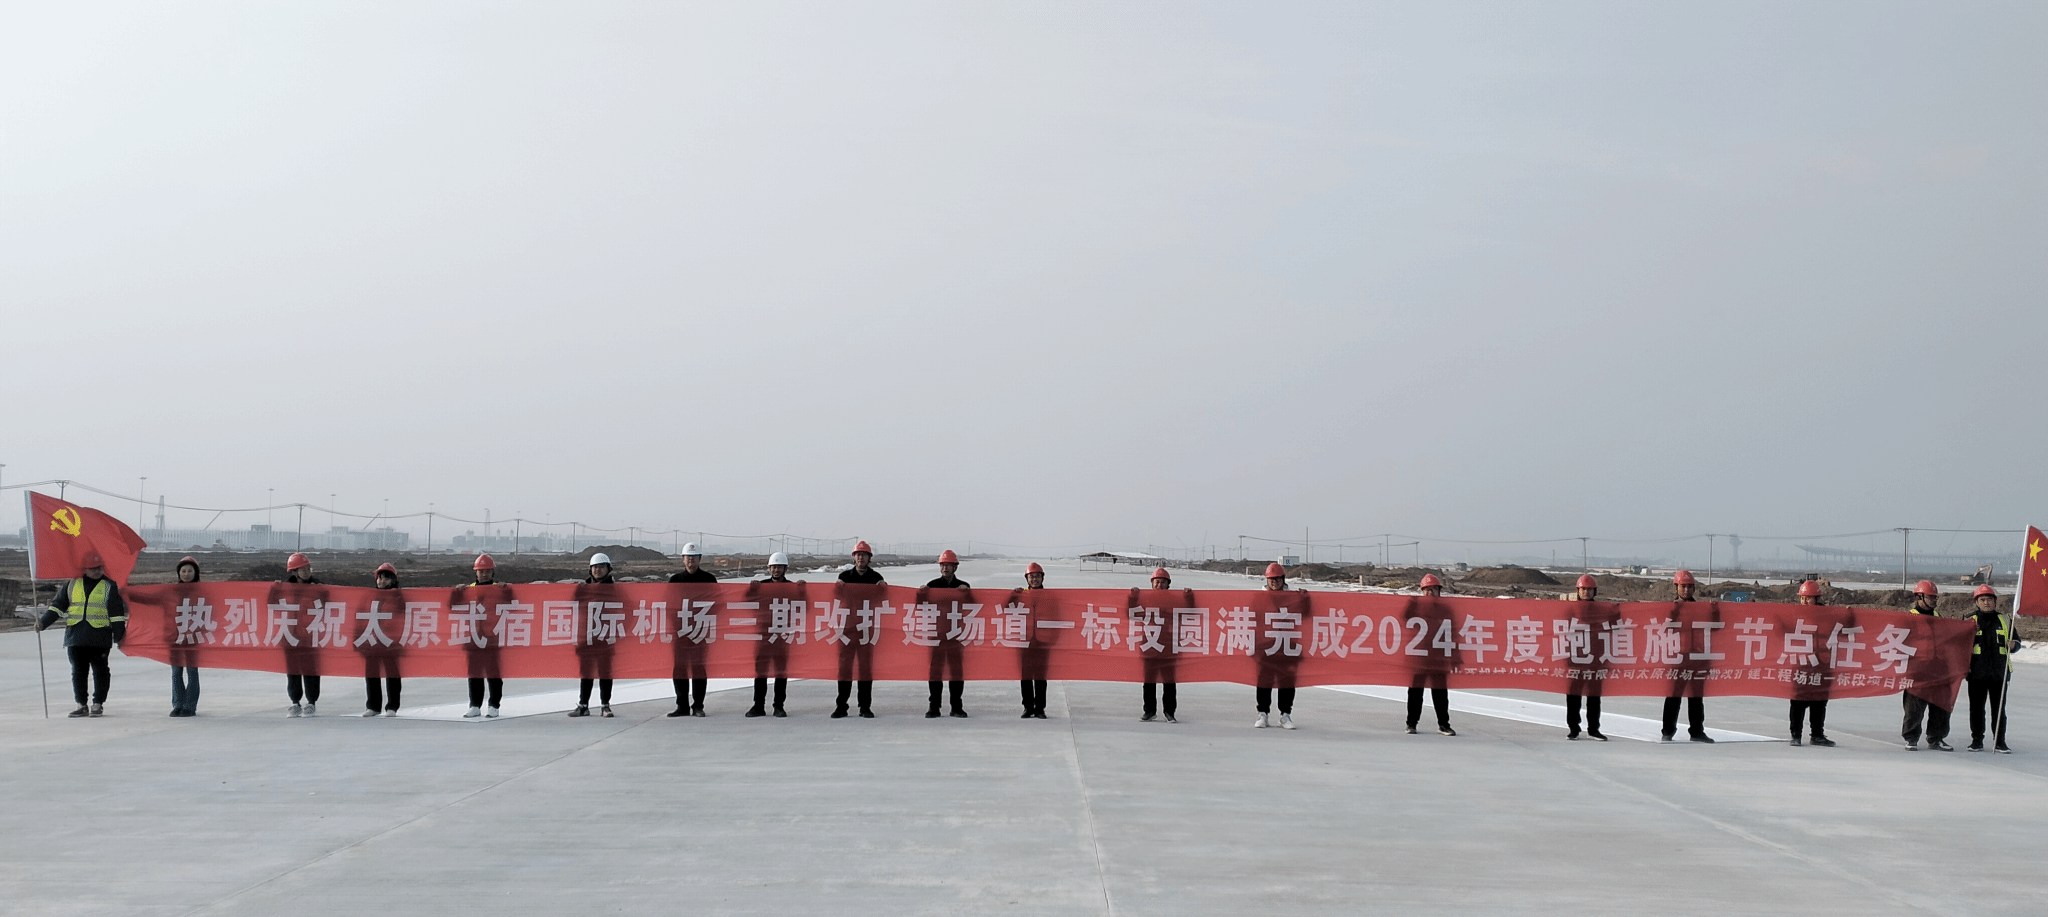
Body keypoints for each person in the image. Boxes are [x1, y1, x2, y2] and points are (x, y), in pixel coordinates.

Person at [36, 552, 127, 718]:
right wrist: (43, 623)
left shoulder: (109, 586)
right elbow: (57, 607)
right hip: (76, 636)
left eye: (99, 568)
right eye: (93, 568)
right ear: (84, 568)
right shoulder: (72, 584)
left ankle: (98, 703)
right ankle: (81, 704)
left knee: (100, 671)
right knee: (78, 672)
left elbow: (116, 614)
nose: (97, 571)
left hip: (99, 636)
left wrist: (119, 636)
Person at [833, 541, 885, 718]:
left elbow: (884, 599)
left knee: (865, 669)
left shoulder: (876, 578)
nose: (861, 558)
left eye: (864, 555)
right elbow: (835, 597)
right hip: (847, 629)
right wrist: (837, 588)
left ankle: (865, 707)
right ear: (854, 558)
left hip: (866, 630)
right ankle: (841, 706)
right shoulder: (844, 576)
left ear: (869, 558)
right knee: (845, 669)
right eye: (858, 555)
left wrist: (883, 589)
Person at [1660, 570, 1713, 743]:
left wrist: (1714, 612)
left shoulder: (1701, 609)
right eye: (1683, 586)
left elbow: (1714, 627)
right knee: (1673, 696)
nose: (1686, 590)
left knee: (1696, 697)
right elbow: (1663, 628)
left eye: (1690, 587)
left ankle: (1697, 731)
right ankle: (1667, 731)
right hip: (1677, 658)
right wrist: (1673, 612)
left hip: (1697, 658)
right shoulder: (1669, 608)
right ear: (1676, 587)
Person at [1901, 580, 1953, 751]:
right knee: (1914, 708)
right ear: (1919, 597)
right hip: (1917, 670)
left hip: (1938, 670)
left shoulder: (1938, 617)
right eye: (1931, 597)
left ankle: (1936, 738)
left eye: (1935, 597)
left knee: (1940, 707)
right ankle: (1911, 738)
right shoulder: (1909, 618)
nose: (1934, 600)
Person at [1965, 584, 2017, 753]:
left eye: (1989, 599)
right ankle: (1977, 741)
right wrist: (1969, 633)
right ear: (1977, 602)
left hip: (1999, 674)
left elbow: (2017, 642)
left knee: (1999, 710)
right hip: (1976, 674)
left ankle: (2000, 742)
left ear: (1995, 601)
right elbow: (1958, 644)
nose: (1986, 603)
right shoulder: (1969, 620)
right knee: (1976, 709)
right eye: (1982, 600)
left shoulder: (2005, 620)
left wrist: (2014, 645)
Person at [667, 543, 717, 717]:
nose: (691, 560)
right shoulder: (675, 580)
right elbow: (667, 604)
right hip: (680, 632)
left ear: (700, 559)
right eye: (688, 557)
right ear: (683, 559)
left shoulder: (709, 580)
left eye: (694, 557)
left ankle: (698, 706)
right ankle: (682, 706)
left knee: (698, 668)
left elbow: (718, 603)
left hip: (700, 632)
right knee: (680, 668)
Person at [1788, 579, 1836, 747]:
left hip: (1821, 665)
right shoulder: (1794, 615)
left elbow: (1843, 628)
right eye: (1802, 598)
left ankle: (1817, 735)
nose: (1804, 601)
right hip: (1801, 664)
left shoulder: (1828, 616)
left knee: (1819, 702)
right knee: (1798, 701)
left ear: (1817, 599)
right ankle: (1796, 735)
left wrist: (1849, 615)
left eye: (1807, 598)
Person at [747, 552, 795, 718]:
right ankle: (758, 706)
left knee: (781, 673)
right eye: (773, 567)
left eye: (779, 567)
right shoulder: (761, 586)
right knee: (760, 673)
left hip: (782, 636)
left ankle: (779, 706)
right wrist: (751, 590)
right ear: (769, 568)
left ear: (785, 569)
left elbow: (805, 604)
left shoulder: (791, 588)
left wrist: (803, 590)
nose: (776, 570)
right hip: (764, 636)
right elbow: (746, 601)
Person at [570, 553, 618, 717]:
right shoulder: (582, 589)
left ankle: (605, 705)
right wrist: (578, 591)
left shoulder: (615, 590)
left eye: (601, 567)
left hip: (605, 637)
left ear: (608, 569)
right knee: (586, 673)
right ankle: (583, 705)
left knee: (605, 672)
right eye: (595, 567)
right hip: (587, 637)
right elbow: (572, 607)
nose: (598, 570)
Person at [1407, 574, 1455, 736]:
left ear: (1439, 591)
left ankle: (1444, 725)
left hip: (1438, 657)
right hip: (1418, 657)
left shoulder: (1445, 610)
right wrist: (1411, 604)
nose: (1430, 593)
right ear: (1422, 592)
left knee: (1440, 693)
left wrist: (1455, 657)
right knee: (1415, 692)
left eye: (1433, 589)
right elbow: (1404, 619)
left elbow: (1452, 633)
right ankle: (1411, 724)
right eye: (1427, 590)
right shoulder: (1416, 608)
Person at [1254, 562, 1300, 729]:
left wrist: (1304, 598)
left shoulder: (1292, 597)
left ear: (1283, 579)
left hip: (1286, 644)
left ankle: (1285, 715)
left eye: (1278, 579)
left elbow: (1306, 613)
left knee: (1286, 681)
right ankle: (1263, 713)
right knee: (1264, 681)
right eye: (1271, 579)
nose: (1274, 582)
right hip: (1266, 646)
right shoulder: (1259, 598)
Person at [926, 549, 971, 718]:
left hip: (956, 636)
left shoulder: (963, 586)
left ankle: (956, 707)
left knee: (956, 673)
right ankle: (934, 707)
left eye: (948, 565)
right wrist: (921, 594)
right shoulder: (932, 585)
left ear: (955, 567)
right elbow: (918, 604)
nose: (945, 568)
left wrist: (967, 593)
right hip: (937, 636)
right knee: (935, 673)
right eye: (943, 565)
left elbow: (974, 605)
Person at [462, 553, 505, 718]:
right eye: (481, 571)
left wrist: (507, 591)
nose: (484, 574)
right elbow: (453, 605)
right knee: (474, 674)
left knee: (493, 674)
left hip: (492, 638)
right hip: (474, 638)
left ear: (492, 572)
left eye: (487, 571)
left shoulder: (499, 589)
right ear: (476, 573)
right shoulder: (470, 590)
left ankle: (494, 705)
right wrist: (457, 592)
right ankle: (475, 705)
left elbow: (513, 603)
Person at [1565, 574, 1607, 741]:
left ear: (1594, 591)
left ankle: (1593, 729)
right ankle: (1573, 728)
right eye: (1583, 589)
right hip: (1575, 659)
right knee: (1573, 696)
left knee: (1594, 696)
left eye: (1589, 589)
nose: (1586, 592)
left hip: (1595, 659)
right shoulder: (1571, 610)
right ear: (1578, 591)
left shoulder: (1601, 610)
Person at [360, 563, 403, 717]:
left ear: (393, 580)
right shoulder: (370, 596)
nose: (382, 581)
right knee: (372, 674)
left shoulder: (400, 598)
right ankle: (373, 706)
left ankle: (392, 706)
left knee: (392, 675)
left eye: (386, 578)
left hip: (391, 642)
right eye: (379, 578)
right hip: (372, 641)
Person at [283, 553, 322, 717]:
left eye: (308, 568)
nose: (306, 572)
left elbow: (327, 603)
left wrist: (318, 591)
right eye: (303, 569)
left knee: (311, 670)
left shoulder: (317, 586)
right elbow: (271, 603)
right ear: (294, 571)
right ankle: (295, 702)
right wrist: (274, 589)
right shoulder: (285, 588)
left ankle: (311, 702)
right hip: (290, 635)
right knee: (293, 671)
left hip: (310, 635)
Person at [1141, 568, 1178, 723]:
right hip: (1150, 644)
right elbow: (1131, 613)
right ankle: (1149, 711)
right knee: (1149, 681)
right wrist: (1132, 597)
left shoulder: (1175, 601)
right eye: (1157, 582)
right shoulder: (1145, 600)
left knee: (1169, 681)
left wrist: (1189, 597)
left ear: (1168, 584)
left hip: (1168, 646)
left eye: (1163, 582)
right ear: (1152, 584)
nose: (1160, 585)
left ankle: (1169, 712)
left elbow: (1190, 612)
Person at [168, 556, 203, 717]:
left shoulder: (202, 592)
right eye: (183, 571)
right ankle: (178, 704)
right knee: (176, 672)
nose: (186, 574)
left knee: (192, 672)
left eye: (190, 571)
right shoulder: (172, 591)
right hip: (175, 637)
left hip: (193, 638)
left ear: (196, 573)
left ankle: (190, 706)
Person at [1017, 562, 1050, 719]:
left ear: (1042, 578)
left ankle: (1040, 708)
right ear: (1027, 579)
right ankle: (1028, 707)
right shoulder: (1022, 595)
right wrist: (1013, 595)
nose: (1034, 580)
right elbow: (1005, 607)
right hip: (1025, 642)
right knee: (1026, 676)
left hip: (1043, 642)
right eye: (1031, 577)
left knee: (1040, 677)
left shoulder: (1049, 597)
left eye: (1037, 577)